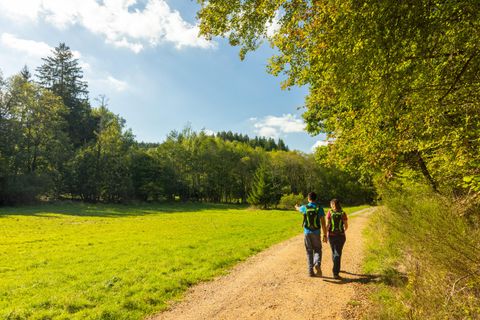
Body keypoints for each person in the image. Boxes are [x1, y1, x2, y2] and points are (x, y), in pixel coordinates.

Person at [295, 192, 327, 277]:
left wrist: (296, 207)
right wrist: (325, 235)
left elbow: (298, 209)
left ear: (308, 199)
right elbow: (323, 223)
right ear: (315, 199)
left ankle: (310, 272)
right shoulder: (319, 208)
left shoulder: (304, 207)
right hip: (316, 232)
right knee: (317, 249)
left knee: (309, 252)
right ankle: (317, 263)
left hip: (307, 232)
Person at [326, 198, 348, 279]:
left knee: (334, 252)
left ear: (333, 205)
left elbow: (327, 224)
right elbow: (346, 226)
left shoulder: (329, 212)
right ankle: (336, 272)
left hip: (331, 236)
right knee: (338, 253)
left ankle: (336, 267)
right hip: (341, 236)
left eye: (331, 204)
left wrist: (325, 234)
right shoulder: (343, 213)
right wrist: (342, 231)